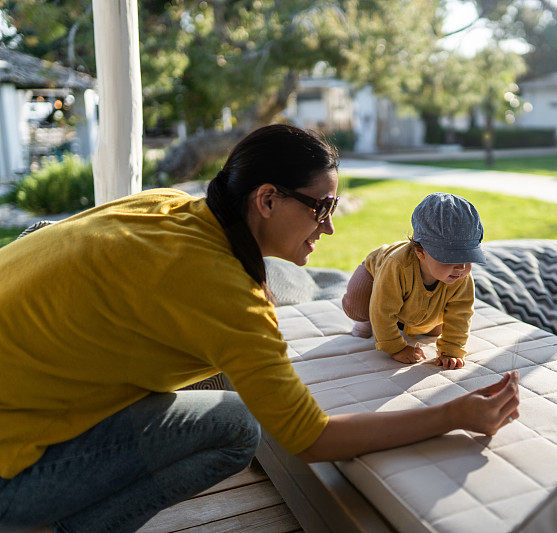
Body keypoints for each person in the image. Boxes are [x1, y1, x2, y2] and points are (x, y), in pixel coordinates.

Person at [0, 124, 519, 532]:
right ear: (267, 199)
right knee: (238, 427)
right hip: (10, 473)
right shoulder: (224, 293)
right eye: (322, 208)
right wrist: (453, 413)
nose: (330, 227)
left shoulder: (167, 206)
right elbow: (309, 439)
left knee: (222, 378)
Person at [342, 193, 484, 370]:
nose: (461, 267)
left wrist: (452, 350)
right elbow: (382, 309)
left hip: (416, 301)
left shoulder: (460, 275)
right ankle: (366, 320)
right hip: (375, 275)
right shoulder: (397, 266)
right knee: (359, 306)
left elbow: (461, 313)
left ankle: (406, 321)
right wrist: (396, 348)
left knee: (434, 329)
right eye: (450, 258)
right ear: (420, 252)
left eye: (468, 257)